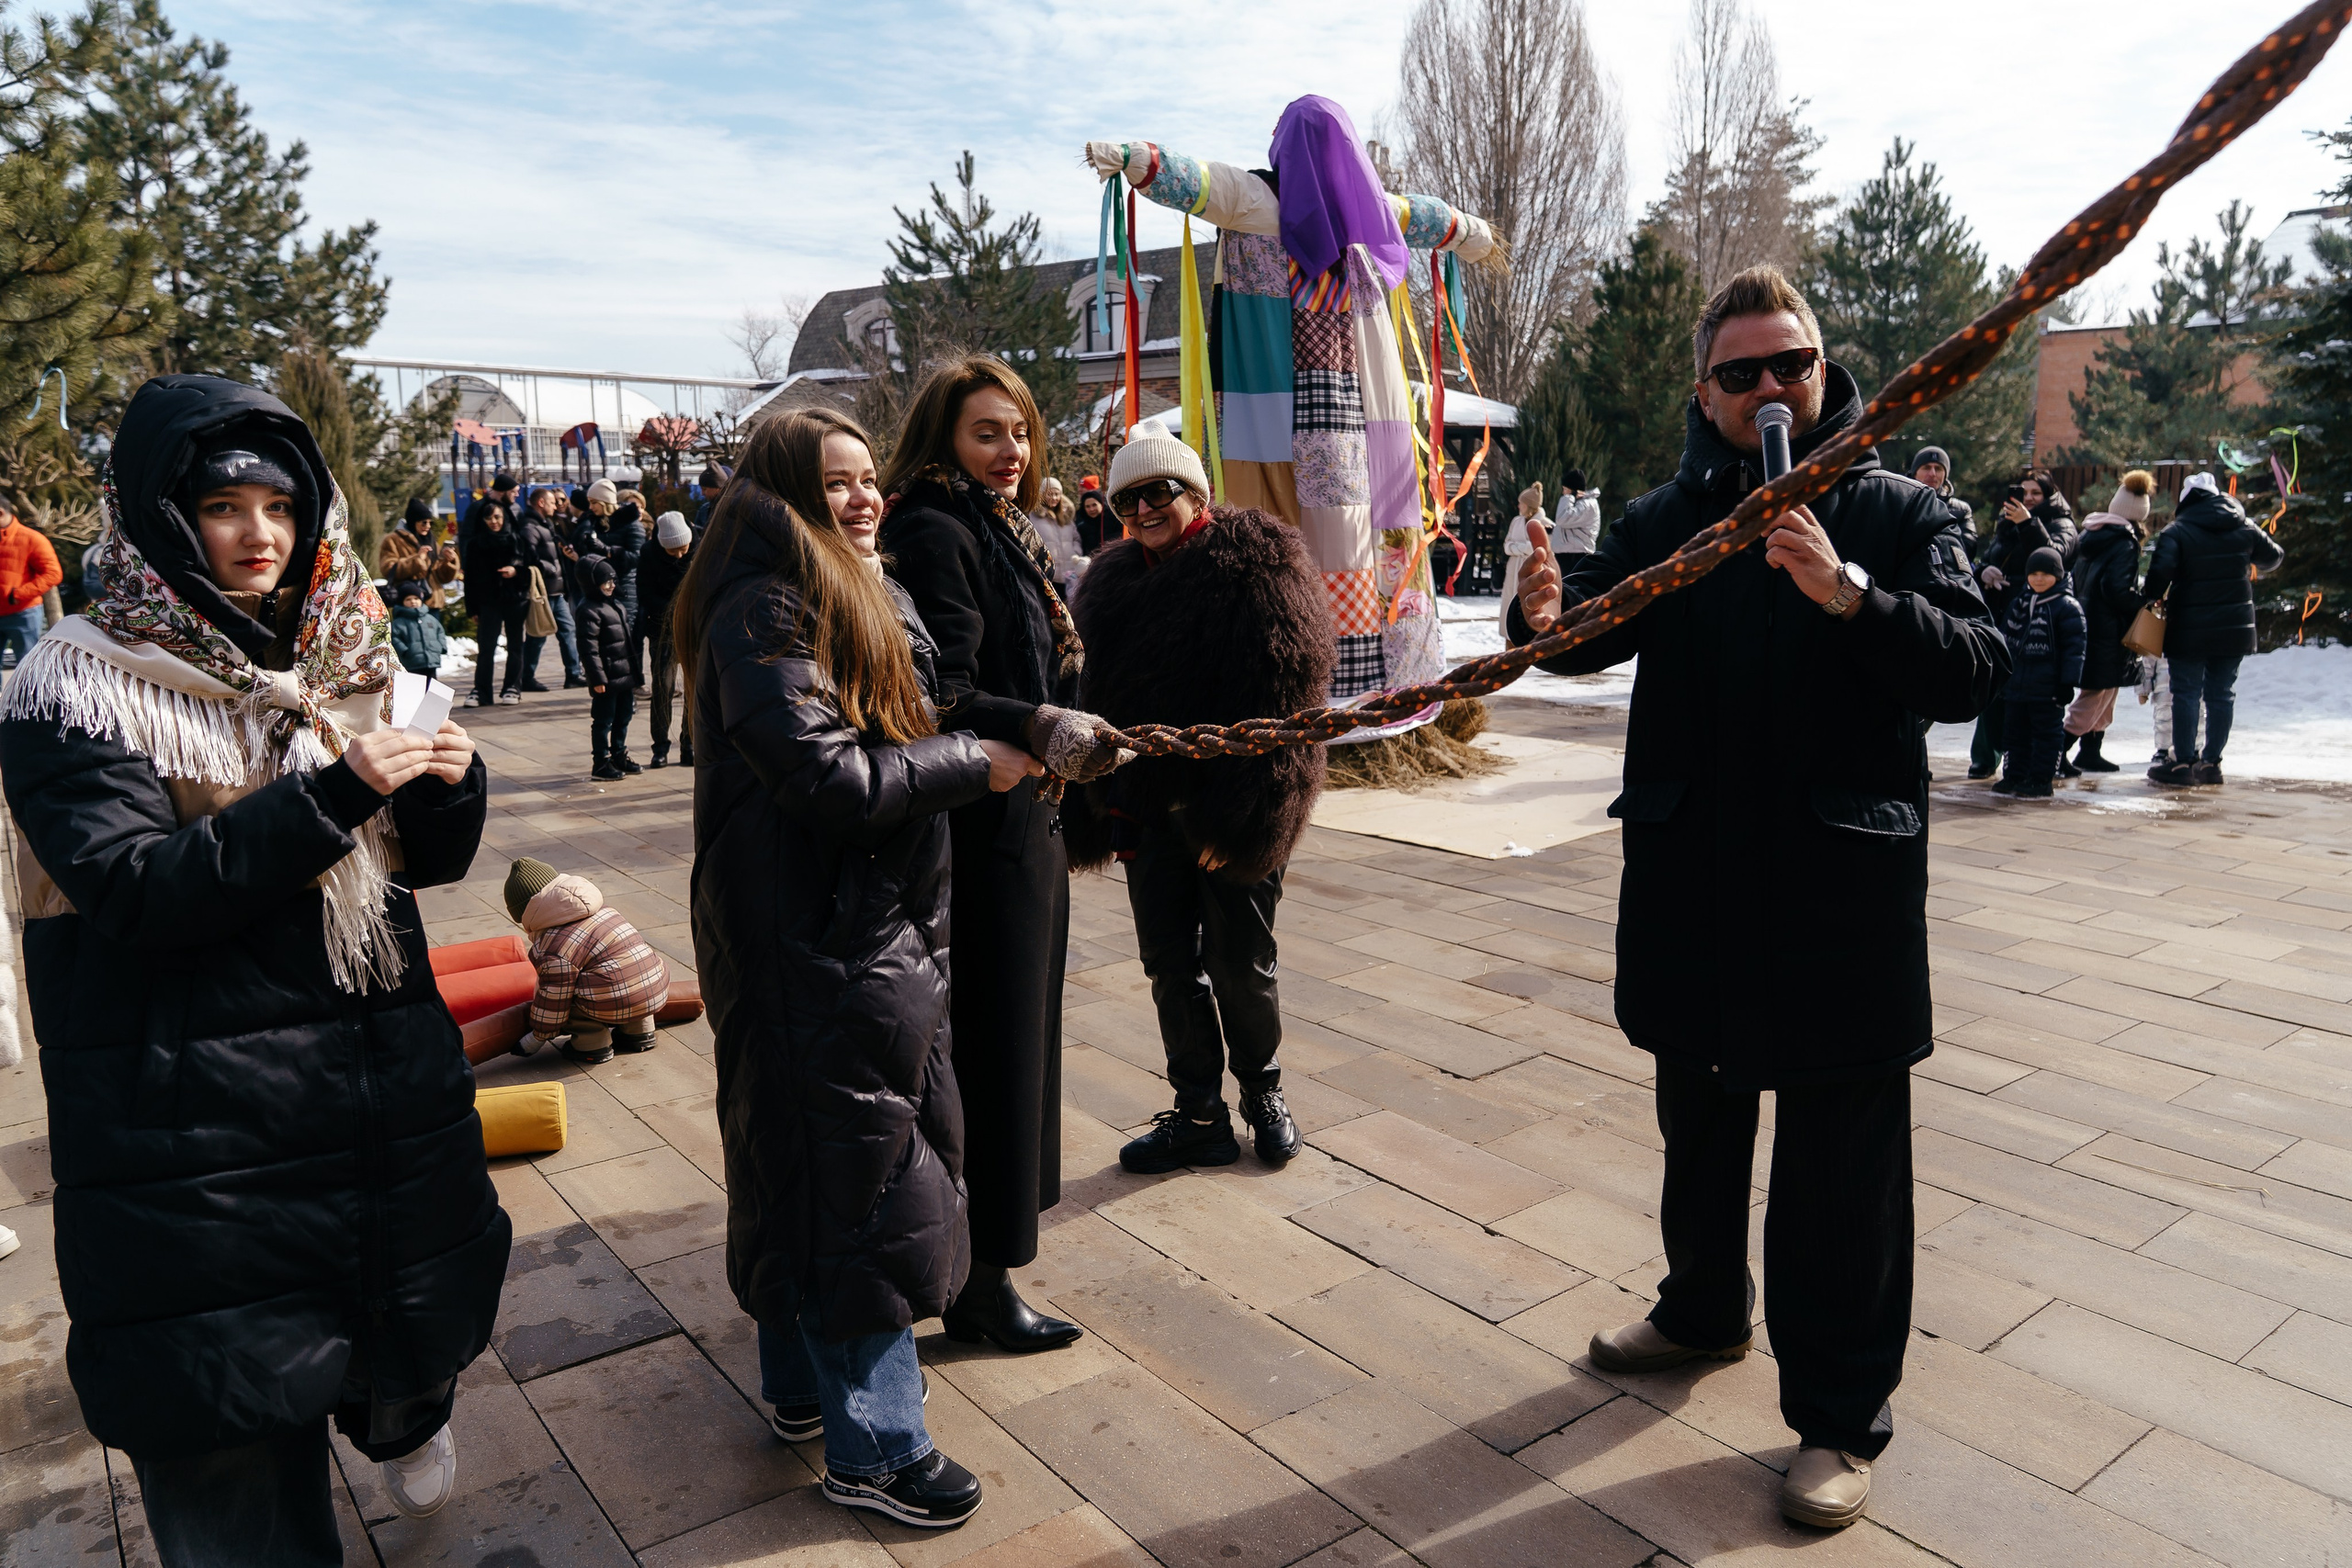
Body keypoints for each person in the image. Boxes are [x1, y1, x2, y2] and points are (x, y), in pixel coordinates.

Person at [1508, 266, 2006, 1530]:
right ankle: (1700, 1307)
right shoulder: (1670, 516)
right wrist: (1543, 606)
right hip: (1695, 884)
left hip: (1841, 896)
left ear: (1826, 372)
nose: (1773, 387)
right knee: (1702, 1119)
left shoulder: (1896, 512)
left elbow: (1978, 666)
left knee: (1843, 1171)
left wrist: (1850, 594)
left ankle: (1838, 1415)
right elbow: (1585, 637)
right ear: (1706, 392)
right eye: (1744, 372)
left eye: (1794, 364)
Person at [0, 374, 503, 1562]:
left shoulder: (342, 647)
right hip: (195, 1141)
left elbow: (421, 861)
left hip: (374, 1098)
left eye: (280, 507)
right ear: (164, 514)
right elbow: (135, 889)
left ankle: (406, 1410)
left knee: (400, 1330)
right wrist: (338, 787)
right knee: (230, 1449)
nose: (259, 534)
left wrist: (446, 777)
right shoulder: (76, 680)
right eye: (224, 505)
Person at [675, 405, 1039, 1530]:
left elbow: (914, 712)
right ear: (782, 491)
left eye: (869, 476)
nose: (863, 497)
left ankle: (799, 1391)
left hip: (846, 926)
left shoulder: (843, 585)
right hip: (817, 933)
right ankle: (878, 1446)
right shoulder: (769, 604)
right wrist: (976, 763)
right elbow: (832, 781)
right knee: (863, 1181)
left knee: (810, 1164)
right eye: (835, 481)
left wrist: (1021, 723)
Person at [879, 355, 1125, 1356]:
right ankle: (978, 1280)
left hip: (1026, 817)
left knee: (1019, 1046)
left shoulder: (999, 525)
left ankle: (983, 1264)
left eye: (1020, 432)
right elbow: (946, 690)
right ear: (944, 437)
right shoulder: (935, 528)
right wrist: (1043, 720)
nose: (1012, 451)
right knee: (995, 1051)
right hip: (980, 830)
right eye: (988, 432)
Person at [1061, 420, 1331, 1172]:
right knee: (1169, 964)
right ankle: (1198, 1112)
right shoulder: (1111, 580)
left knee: (1244, 963)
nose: (1143, 510)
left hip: (1229, 807)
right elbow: (1097, 696)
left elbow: (1289, 700)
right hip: (1146, 808)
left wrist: (1244, 819)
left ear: (1194, 492)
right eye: (1127, 501)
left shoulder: (1258, 562)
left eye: (1159, 492)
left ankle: (1263, 1093)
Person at [2143, 471, 2284, 786]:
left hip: (2187, 629)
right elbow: (2274, 558)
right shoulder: (2243, 526)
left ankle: (2182, 764)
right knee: (2221, 694)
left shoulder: (2176, 532)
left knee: (2186, 694)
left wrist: (2149, 599)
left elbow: (2156, 580)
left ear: (2186, 501)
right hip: (2234, 629)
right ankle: (2211, 764)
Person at [504, 857, 667, 1064]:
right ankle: (640, 1032)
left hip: (613, 1000)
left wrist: (537, 1037)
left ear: (524, 913)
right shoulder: (605, 910)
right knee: (628, 975)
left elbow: (554, 998)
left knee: (567, 998)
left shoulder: (552, 947)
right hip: (655, 987)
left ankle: (593, 1045)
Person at [1965, 470, 2072, 780]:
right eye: (2023, 492)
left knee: (2035, 698)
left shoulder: (2060, 522)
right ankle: (1986, 756)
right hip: (2004, 617)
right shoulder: (2005, 524)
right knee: (1994, 688)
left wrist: (2027, 523)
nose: (2028, 499)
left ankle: (2038, 763)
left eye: (2035, 493)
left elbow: (2056, 557)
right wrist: (1985, 570)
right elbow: (1991, 557)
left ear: (2049, 495)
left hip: (2042, 622)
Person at [2059, 471, 2152, 775]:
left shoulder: (2092, 534)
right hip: (2106, 629)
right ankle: (2056, 752)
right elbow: (2117, 591)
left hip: (2090, 623)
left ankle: (2090, 752)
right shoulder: (2123, 543)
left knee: (2106, 693)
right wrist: (2143, 603)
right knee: (2095, 695)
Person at [1993, 547, 2086, 799]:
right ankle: (2014, 774)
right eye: (2033, 573)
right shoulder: (2019, 603)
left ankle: (2041, 779)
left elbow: (2074, 650)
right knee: (2014, 732)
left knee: (2046, 735)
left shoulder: (2067, 607)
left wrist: (2067, 683)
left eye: (2046, 573)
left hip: (2048, 687)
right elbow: (2005, 641)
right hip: (2017, 685)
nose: (2039, 579)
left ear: (2058, 575)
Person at [637, 510, 695, 767]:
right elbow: (645, 593)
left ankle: (689, 744)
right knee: (663, 686)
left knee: (694, 688)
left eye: (683, 549)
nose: (680, 555)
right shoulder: (649, 554)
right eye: (673, 552)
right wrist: (672, 612)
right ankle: (660, 746)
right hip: (662, 626)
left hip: (695, 626)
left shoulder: (700, 546)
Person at [577, 557, 639, 778]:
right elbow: (588, 650)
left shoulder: (615, 604)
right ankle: (601, 761)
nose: (612, 585)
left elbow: (627, 644)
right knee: (603, 720)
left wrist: (635, 673)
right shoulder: (589, 610)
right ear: (593, 583)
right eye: (606, 581)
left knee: (624, 716)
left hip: (623, 676)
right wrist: (597, 679)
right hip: (606, 677)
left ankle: (619, 754)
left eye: (613, 580)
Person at [463, 497, 527, 707]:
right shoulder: (475, 544)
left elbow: (533, 569)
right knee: (486, 647)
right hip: (488, 601)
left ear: (505, 517)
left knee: (516, 645)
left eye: (497, 516)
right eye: (489, 517)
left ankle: (512, 687)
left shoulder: (517, 539)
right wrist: (471, 607)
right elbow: (470, 579)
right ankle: (482, 691)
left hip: (515, 599)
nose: (493, 521)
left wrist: (516, 572)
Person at [514, 486, 572, 691]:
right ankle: (527, 677)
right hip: (543, 590)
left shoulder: (546, 524)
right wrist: (550, 568)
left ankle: (573, 674)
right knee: (537, 636)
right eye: (551, 502)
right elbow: (529, 557)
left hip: (556, 589)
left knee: (567, 630)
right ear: (540, 503)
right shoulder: (530, 527)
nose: (555, 506)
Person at [0, 501, 62, 666]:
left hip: (23, 613)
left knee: (27, 666)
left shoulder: (32, 539)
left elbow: (53, 574)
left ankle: (27, 694)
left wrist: (19, 594)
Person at [379, 498, 459, 611]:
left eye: (430, 522)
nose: (428, 526)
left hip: (433, 602)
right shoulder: (393, 540)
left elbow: (441, 577)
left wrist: (449, 562)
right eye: (424, 523)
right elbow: (387, 568)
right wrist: (417, 560)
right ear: (413, 521)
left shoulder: (431, 540)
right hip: (408, 603)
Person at [1500, 482, 1544, 632]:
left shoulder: (1544, 523)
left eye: (1522, 503)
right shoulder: (1516, 521)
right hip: (1513, 569)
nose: (1519, 506)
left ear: (1529, 505)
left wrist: (1517, 547)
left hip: (1531, 570)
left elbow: (1538, 547)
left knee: (1528, 605)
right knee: (1509, 605)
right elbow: (1507, 546)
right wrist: (1522, 547)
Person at [1909, 446, 1973, 538]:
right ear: (1915, 473)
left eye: (1938, 469)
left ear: (1945, 475)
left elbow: (1967, 547)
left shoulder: (1961, 511)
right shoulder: (1901, 504)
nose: (1932, 474)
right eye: (1926, 468)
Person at [390, 584, 447, 676]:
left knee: (431, 687)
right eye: (408, 599)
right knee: (416, 688)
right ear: (402, 602)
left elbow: (440, 632)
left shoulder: (430, 619)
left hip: (431, 661)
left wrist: (441, 646)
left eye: (416, 598)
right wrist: (404, 651)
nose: (413, 601)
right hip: (411, 662)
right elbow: (394, 638)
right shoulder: (399, 622)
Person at [1552, 468, 1600, 573]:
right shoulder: (1579, 503)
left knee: (1569, 587)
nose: (1563, 493)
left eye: (1565, 489)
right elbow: (1568, 525)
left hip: (1576, 556)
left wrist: (1569, 496)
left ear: (1572, 489)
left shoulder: (1588, 505)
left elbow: (1563, 518)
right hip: (1569, 554)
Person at [1073, 484, 1116, 556]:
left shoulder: (1113, 517)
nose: (1091, 509)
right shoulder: (1080, 522)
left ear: (1101, 504)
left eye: (1094, 505)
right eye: (1087, 506)